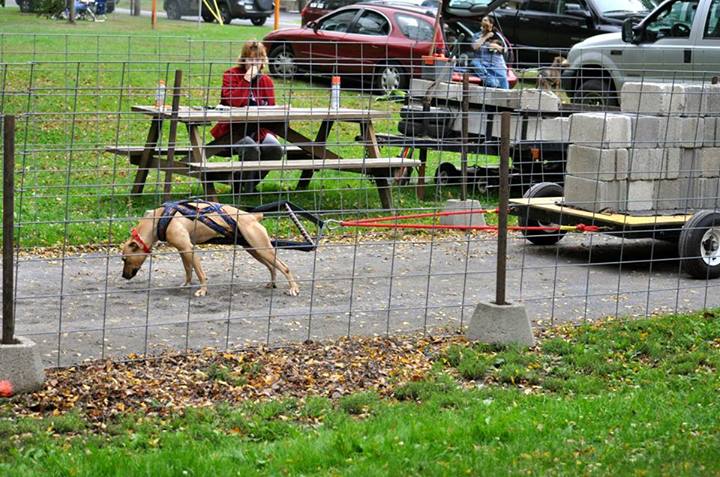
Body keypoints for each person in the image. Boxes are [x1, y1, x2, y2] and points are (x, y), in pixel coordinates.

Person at [208, 40, 283, 194]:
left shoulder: (267, 82)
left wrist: (279, 110)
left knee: (275, 148)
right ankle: (246, 192)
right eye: (250, 59)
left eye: (258, 60)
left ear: (263, 61)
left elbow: (270, 111)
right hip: (232, 131)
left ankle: (242, 182)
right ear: (243, 60)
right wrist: (247, 80)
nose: (254, 64)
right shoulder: (231, 76)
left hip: (259, 130)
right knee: (250, 148)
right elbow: (234, 102)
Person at [470, 16, 509, 90]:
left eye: (485, 20)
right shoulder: (476, 35)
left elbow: (505, 50)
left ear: (491, 24)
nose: (483, 22)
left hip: (496, 62)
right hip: (481, 61)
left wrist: (496, 46)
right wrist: (486, 37)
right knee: (474, 63)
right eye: (482, 20)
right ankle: (492, 82)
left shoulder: (497, 35)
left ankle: (505, 95)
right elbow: (475, 47)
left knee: (503, 79)